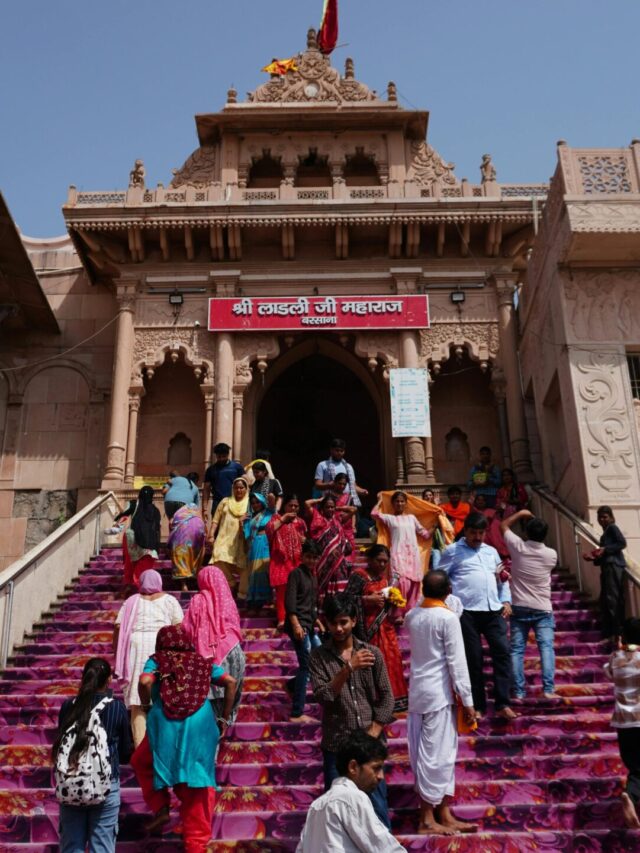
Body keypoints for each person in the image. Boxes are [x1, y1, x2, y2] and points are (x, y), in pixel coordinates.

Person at [132, 625, 237, 853]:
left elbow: (145, 682)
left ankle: (161, 807)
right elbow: (230, 682)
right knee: (196, 786)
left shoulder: (158, 660)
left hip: (165, 726)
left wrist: (146, 704)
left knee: (142, 761)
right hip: (200, 725)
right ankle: (195, 846)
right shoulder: (201, 662)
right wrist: (225, 718)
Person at [309, 592, 395, 828]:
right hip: (337, 745)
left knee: (377, 810)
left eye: (343, 622)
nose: (338, 628)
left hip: (370, 743)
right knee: (336, 813)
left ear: (354, 621)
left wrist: (374, 731)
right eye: (333, 622)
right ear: (325, 622)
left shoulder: (372, 653)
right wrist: (348, 669)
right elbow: (324, 696)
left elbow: (388, 697)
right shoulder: (318, 657)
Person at [406, 571, 477, 835]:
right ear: (449, 590)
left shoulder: (412, 616)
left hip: (420, 692)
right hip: (438, 696)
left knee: (436, 755)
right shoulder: (447, 618)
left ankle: (443, 813)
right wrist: (468, 701)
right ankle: (426, 817)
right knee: (436, 757)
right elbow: (457, 663)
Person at [439, 512, 517, 721]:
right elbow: (439, 577)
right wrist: (445, 604)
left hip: (493, 610)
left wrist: (506, 600)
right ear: (465, 531)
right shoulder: (452, 551)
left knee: (502, 653)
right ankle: (478, 706)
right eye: (473, 532)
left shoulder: (491, 552)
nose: (477, 537)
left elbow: (503, 578)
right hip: (466, 613)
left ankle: (503, 704)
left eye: (481, 533)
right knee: (473, 659)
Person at [54, 658, 133, 853]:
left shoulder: (68, 706)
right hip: (105, 785)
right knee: (102, 847)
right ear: (108, 681)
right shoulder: (116, 707)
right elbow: (125, 752)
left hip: (71, 783)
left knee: (72, 846)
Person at [296, 731, 405, 853]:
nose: (380, 776)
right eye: (376, 768)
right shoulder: (351, 797)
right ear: (353, 767)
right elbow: (384, 848)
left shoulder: (316, 806)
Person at [113, 569, 183, 747]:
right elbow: (179, 628)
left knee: (138, 700)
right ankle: (163, 746)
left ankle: (141, 748)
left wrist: (117, 652)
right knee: (162, 695)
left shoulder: (131, 601)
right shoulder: (169, 600)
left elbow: (118, 627)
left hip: (135, 647)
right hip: (162, 646)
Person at [500, 509, 559, 701]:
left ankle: (518, 691)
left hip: (519, 605)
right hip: (542, 607)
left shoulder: (518, 547)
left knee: (517, 650)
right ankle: (548, 689)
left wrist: (521, 513)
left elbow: (503, 526)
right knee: (546, 648)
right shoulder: (551, 554)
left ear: (526, 533)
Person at [346, 544, 408, 712]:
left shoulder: (385, 580)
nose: (382, 565)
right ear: (369, 560)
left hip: (385, 630)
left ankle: (393, 702)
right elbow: (345, 601)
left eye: (385, 562)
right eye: (379, 561)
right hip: (365, 631)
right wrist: (366, 600)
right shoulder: (359, 576)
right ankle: (372, 703)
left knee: (391, 662)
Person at [182, 565, 246, 724]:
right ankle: (225, 723)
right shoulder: (228, 600)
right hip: (235, 651)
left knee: (213, 704)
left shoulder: (198, 600)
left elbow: (187, 629)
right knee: (229, 699)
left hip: (215, 656)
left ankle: (213, 740)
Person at [604, 618, 640, 829]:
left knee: (634, 764)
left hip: (624, 724)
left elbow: (606, 670)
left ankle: (633, 796)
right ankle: (631, 795)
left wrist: (621, 648)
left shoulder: (615, 659)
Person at [372, 491, 431, 610]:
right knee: (401, 582)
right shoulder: (390, 518)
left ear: (406, 504)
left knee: (415, 583)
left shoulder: (412, 518)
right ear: (393, 504)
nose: (399, 503)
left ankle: (411, 611)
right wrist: (380, 501)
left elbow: (424, 534)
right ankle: (397, 612)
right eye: (397, 501)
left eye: (402, 501)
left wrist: (436, 523)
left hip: (412, 555)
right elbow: (374, 513)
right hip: (398, 554)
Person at [285, 539, 323, 722]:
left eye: (315, 558)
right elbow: (291, 604)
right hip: (298, 625)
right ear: (302, 556)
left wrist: (319, 623)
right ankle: (296, 712)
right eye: (309, 557)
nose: (312, 561)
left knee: (319, 658)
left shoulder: (312, 576)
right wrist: (296, 625)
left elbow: (311, 605)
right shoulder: (296, 574)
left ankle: (292, 686)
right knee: (306, 666)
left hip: (309, 624)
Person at [584, 506, 627, 641]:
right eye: (600, 517)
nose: (602, 520)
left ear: (611, 517)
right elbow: (605, 554)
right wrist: (594, 558)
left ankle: (617, 634)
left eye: (605, 517)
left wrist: (605, 549)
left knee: (612, 600)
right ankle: (610, 633)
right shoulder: (606, 532)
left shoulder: (612, 528)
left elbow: (621, 543)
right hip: (607, 567)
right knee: (606, 601)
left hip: (613, 566)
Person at [266, 494, 308, 630]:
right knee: (282, 593)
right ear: (285, 506)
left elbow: (306, 540)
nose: (294, 508)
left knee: (297, 592)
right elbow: (269, 530)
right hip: (281, 562)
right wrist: (283, 519)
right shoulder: (276, 518)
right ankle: (282, 619)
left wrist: (305, 541)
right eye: (291, 505)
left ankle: (297, 619)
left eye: (296, 506)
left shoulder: (301, 522)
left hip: (297, 562)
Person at [306, 495, 353, 603]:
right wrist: (319, 500)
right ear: (322, 508)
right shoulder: (318, 519)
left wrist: (338, 508)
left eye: (332, 507)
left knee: (339, 589)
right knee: (324, 588)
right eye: (327, 507)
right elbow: (307, 503)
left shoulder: (338, 520)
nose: (330, 509)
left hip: (339, 563)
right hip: (323, 562)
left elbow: (353, 510)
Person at [208, 477, 249, 600]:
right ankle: (231, 582)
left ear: (246, 489)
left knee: (244, 567)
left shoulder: (249, 503)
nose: (239, 490)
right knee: (217, 558)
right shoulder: (225, 501)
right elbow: (215, 520)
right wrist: (211, 535)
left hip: (242, 539)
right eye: (236, 488)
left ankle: (242, 593)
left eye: (242, 487)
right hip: (224, 538)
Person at [243, 492, 276, 614]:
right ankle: (254, 604)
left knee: (263, 573)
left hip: (265, 546)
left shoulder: (268, 512)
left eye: (257, 502)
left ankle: (265, 604)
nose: (255, 504)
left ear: (262, 502)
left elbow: (272, 503)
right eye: (253, 503)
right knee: (254, 575)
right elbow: (246, 535)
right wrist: (242, 522)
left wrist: (271, 497)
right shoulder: (250, 518)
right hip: (253, 547)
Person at [123, 486, 161, 589]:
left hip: (133, 540)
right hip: (149, 543)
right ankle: (140, 585)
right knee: (145, 566)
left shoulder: (133, 504)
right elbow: (157, 528)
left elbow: (121, 517)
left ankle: (129, 583)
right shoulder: (155, 511)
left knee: (131, 562)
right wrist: (157, 546)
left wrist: (116, 527)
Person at [313, 438, 368, 508]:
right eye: (337, 450)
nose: (339, 453)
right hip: (330, 504)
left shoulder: (348, 467)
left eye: (341, 451)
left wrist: (362, 491)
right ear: (331, 450)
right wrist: (329, 485)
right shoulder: (322, 465)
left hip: (347, 503)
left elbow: (353, 486)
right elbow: (317, 485)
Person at [167, 503, 207, 591]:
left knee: (180, 556)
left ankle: (183, 584)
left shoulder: (177, 514)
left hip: (183, 535)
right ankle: (195, 574)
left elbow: (171, 525)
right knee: (196, 553)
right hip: (199, 528)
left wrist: (170, 541)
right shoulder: (196, 511)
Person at [202, 443, 245, 519]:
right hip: (217, 503)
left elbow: (244, 484)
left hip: (234, 502)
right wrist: (205, 508)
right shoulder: (211, 470)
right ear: (216, 456)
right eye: (219, 457)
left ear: (228, 454)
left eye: (223, 456)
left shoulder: (237, 467)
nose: (221, 459)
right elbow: (206, 489)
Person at [330, 472, 357, 548]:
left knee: (349, 550)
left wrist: (353, 526)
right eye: (340, 483)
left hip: (347, 528)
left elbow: (353, 513)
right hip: (333, 528)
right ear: (335, 482)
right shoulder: (329, 496)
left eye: (344, 484)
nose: (342, 486)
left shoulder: (349, 497)